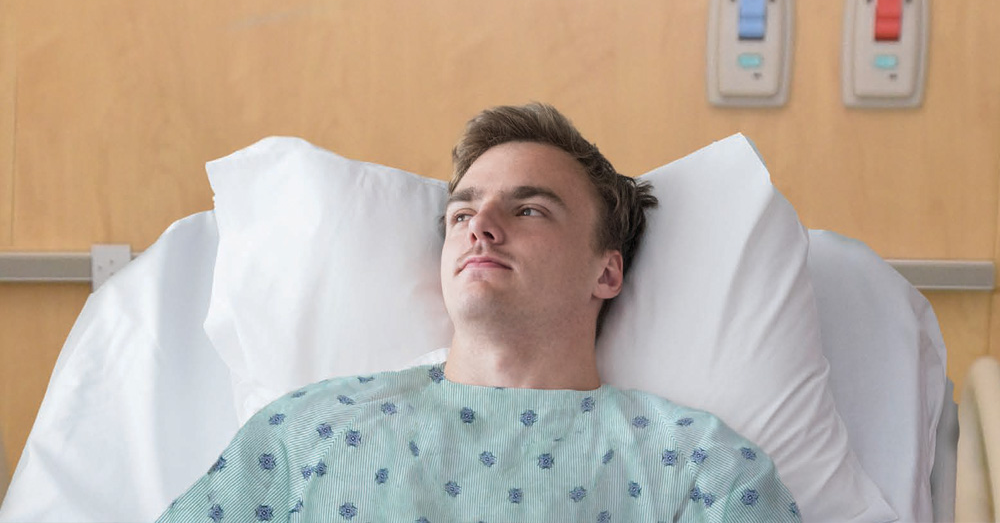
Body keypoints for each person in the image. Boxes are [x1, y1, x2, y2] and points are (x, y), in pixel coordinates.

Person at [157, 103, 799, 522]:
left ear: (606, 271)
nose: (479, 228)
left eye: (529, 210)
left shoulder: (701, 468)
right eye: (461, 213)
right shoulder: (307, 434)